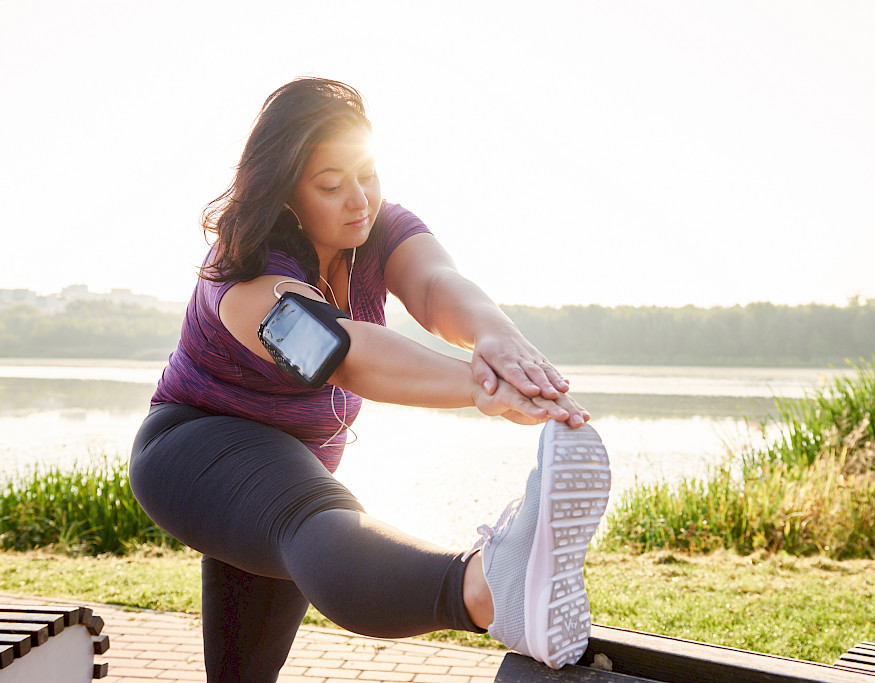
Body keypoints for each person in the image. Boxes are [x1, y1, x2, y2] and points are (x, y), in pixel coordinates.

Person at [129, 77, 611, 682]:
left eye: (369, 175)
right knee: (319, 522)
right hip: (191, 451)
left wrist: (496, 338)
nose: (360, 199)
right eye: (331, 185)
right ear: (284, 195)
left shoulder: (378, 229)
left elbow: (436, 286)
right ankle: (486, 586)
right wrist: (482, 388)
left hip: (287, 468)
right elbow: (347, 353)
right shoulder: (245, 277)